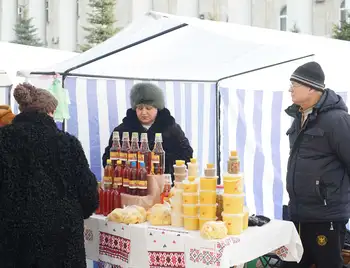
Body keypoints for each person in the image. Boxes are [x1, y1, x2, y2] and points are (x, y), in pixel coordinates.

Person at [0, 83, 99, 268]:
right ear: (50, 111)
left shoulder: (3, 139)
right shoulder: (68, 143)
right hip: (63, 238)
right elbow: (88, 195)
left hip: (14, 238)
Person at [283, 61, 350, 268]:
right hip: (299, 213)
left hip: (325, 215)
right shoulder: (298, 117)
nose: (290, 89)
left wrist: (334, 198)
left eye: (294, 84)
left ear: (311, 87)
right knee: (293, 262)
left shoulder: (337, 120)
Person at [102, 82, 193, 175]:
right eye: (140, 108)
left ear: (157, 107)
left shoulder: (172, 129)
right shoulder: (122, 131)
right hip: (131, 183)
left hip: (164, 183)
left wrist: (167, 168)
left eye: (148, 108)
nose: (144, 112)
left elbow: (186, 153)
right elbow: (108, 159)